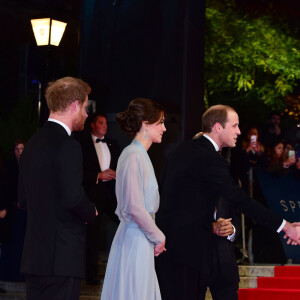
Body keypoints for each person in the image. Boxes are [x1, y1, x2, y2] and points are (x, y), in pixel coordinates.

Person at [156, 104, 300, 300]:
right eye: (234, 126)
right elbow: (241, 200)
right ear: (217, 127)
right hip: (190, 255)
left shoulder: (179, 151)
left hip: (170, 251)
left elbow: (168, 198)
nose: (239, 132)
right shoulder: (211, 159)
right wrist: (286, 227)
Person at [18, 77, 97, 300]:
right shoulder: (68, 145)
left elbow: (23, 199)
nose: (86, 114)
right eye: (84, 107)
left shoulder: (32, 144)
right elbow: (72, 198)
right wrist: (91, 211)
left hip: (34, 258)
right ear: (74, 105)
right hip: (62, 258)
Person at [100, 98, 166, 300]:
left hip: (140, 238)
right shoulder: (133, 155)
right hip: (135, 239)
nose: (164, 128)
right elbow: (134, 207)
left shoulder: (139, 155)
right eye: (161, 122)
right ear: (146, 123)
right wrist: (159, 236)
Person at [76, 113, 121, 284]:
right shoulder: (82, 145)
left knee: (124, 227)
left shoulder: (113, 144)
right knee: (92, 237)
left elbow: (119, 166)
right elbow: (78, 173)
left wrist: (116, 174)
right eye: (101, 123)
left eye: (105, 123)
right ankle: (91, 276)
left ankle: (120, 271)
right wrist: (98, 175)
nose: (105, 125)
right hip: (92, 196)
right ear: (92, 125)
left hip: (111, 196)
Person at [0, 139, 26, 282]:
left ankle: (20, 273)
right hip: (12, 210)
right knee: (12, 241)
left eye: (22, 148)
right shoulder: (9, 167)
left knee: (23, 241)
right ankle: (10, 273)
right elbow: (6, 188)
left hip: (25, 210)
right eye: (17, 149)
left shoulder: (29, 165)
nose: (19, 152)